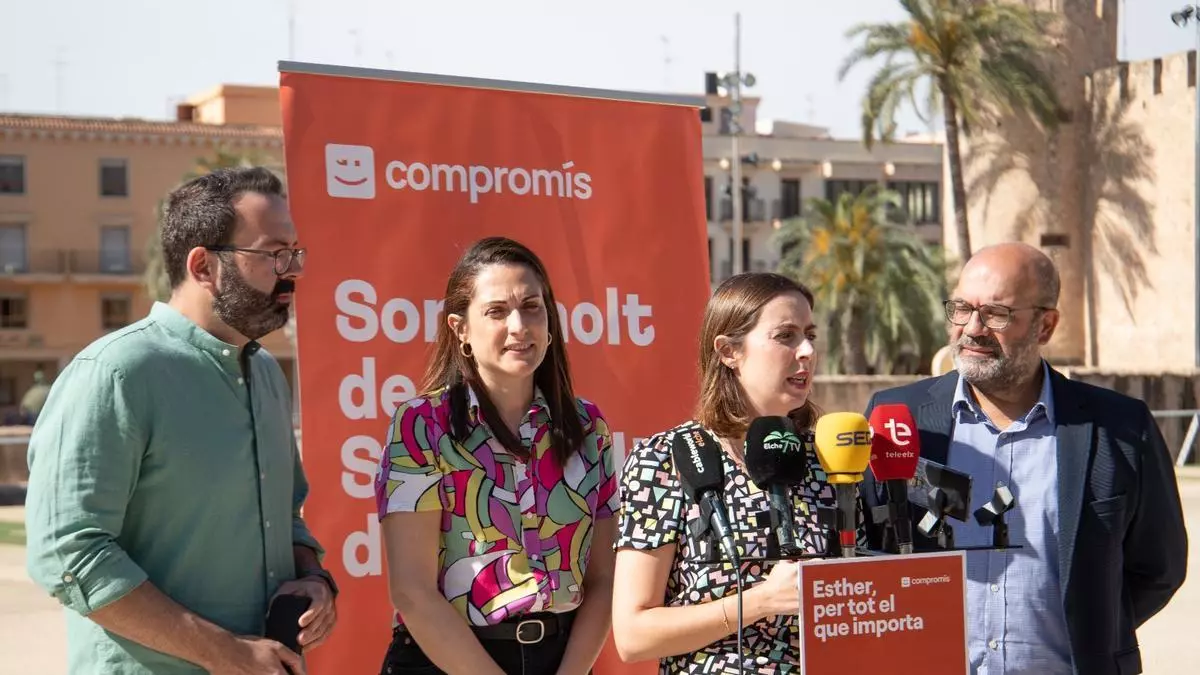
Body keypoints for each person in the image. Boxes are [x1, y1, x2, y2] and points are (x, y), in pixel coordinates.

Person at [24, 166, 338, 675]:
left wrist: (314, 578)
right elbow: (67, 556)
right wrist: (228, 654)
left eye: (294, 252)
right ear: (203, 265)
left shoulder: (263, 373)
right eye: (274, 253)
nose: (293, 269)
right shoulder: (116, 374)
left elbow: (288, 519)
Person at [860, 242, 1188, 675]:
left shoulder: (1120, 428)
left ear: (1045, 326)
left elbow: (1158, 568)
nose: (972, 328)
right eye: (961, 308)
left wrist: (1092, 629)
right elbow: (866, 548)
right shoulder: (899, 419)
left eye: (996, 313)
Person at [373, 236, 618, 675]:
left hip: (562, 661)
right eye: (496, 311)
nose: (519, 325)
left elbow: (604, 580)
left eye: (532, 306)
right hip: (446, 662)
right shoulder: (421, 426)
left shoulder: (588, 427)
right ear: (460, 328)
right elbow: (412, 591)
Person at [612, 272, 833, 674]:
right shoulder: (665, 459)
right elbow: (633, 634)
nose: (806, 351)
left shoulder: (829, 459)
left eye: (810, 335)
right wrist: (762, 600)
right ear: (729, 351)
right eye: (786, 335)